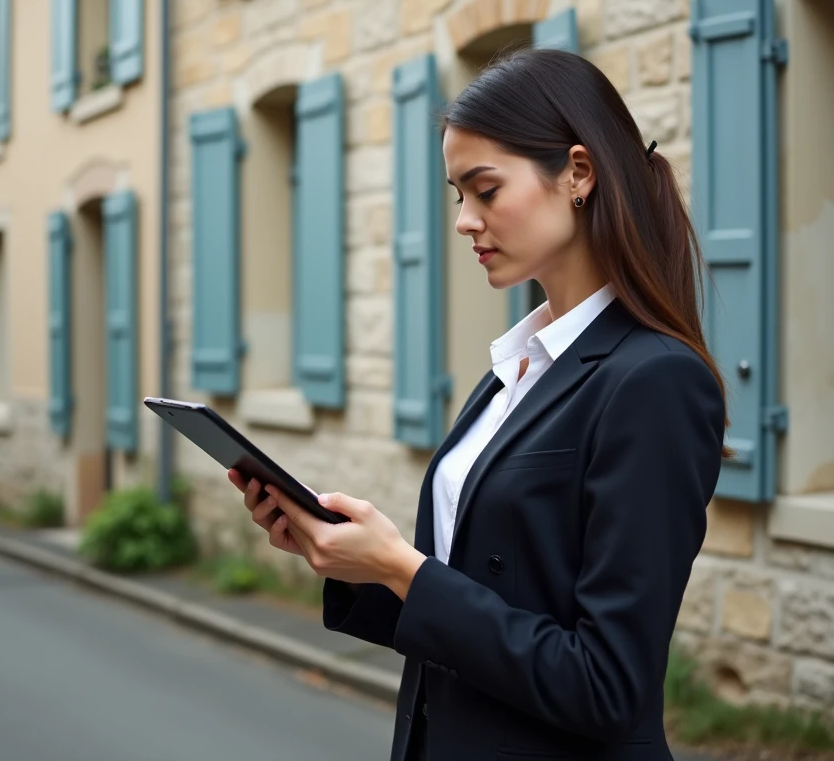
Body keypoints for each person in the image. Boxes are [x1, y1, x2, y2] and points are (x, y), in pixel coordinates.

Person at [228, 47, 728, 761]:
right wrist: (358, 565)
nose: (465, 220)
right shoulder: (514, 370)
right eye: (457, 194)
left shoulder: (654, 381)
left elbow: (607, 685)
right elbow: (482, 605)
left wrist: (405, 568)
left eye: (484, 190)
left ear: (578, 174)